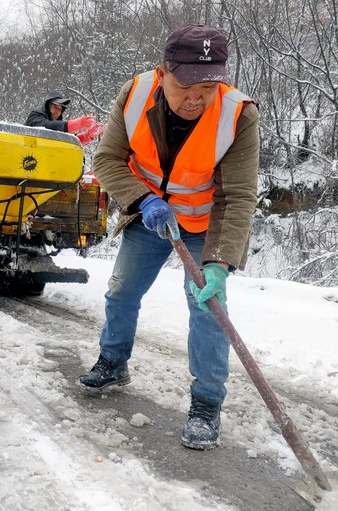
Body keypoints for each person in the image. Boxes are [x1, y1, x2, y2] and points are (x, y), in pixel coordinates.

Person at [79, 24, 260, 450]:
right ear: (164, 73)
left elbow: (238, 196)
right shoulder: (135, 94)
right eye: (186, 85)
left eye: (209, 86)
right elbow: (107, 159)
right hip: (150, 215)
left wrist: (219, 262)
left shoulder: (239, 114)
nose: (197, 97)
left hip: (203, 227)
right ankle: (113, 361)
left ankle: (207, 403)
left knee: (208, 310)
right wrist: (143, 200)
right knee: (121, 293)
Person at [24, 91, 105, 145]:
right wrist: (76, 124)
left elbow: (67, 140)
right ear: (48, 105)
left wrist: (86, 136)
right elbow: (45, 127)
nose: (57, 111)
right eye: (55, 106)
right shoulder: (36, 115)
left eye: (60, 108)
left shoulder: (57, 126)